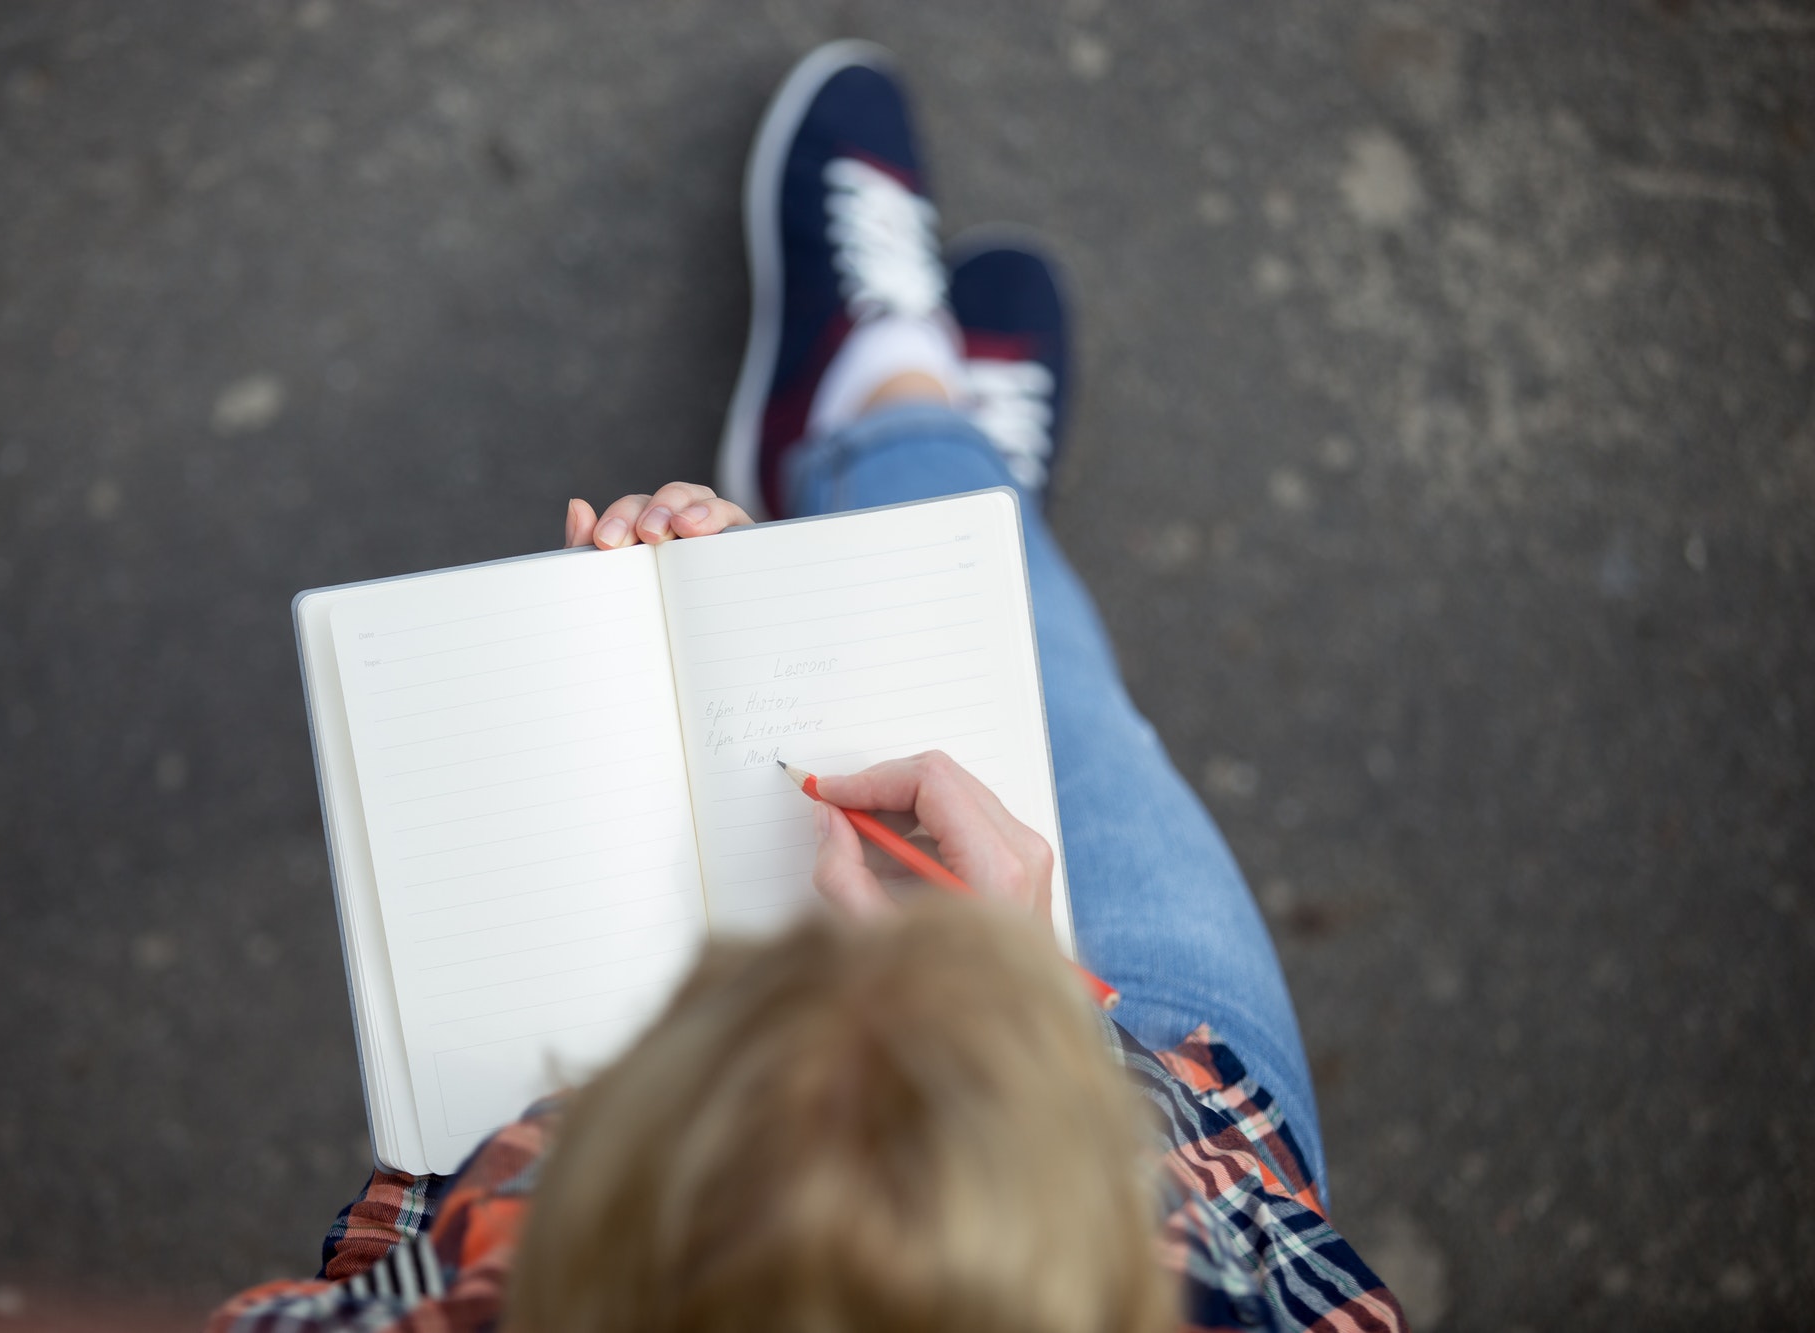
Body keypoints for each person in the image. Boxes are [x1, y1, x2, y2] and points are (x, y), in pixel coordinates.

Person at [213, 41, 1406, 1332]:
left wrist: (670, 1028)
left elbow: (396, 1261)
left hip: (667, 1102)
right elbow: (1272, 1260)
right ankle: (903, 424)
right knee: (1048, 684)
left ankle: (893, 416)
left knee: (1007, 645)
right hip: (1132, 1126)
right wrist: (1018, 1010)